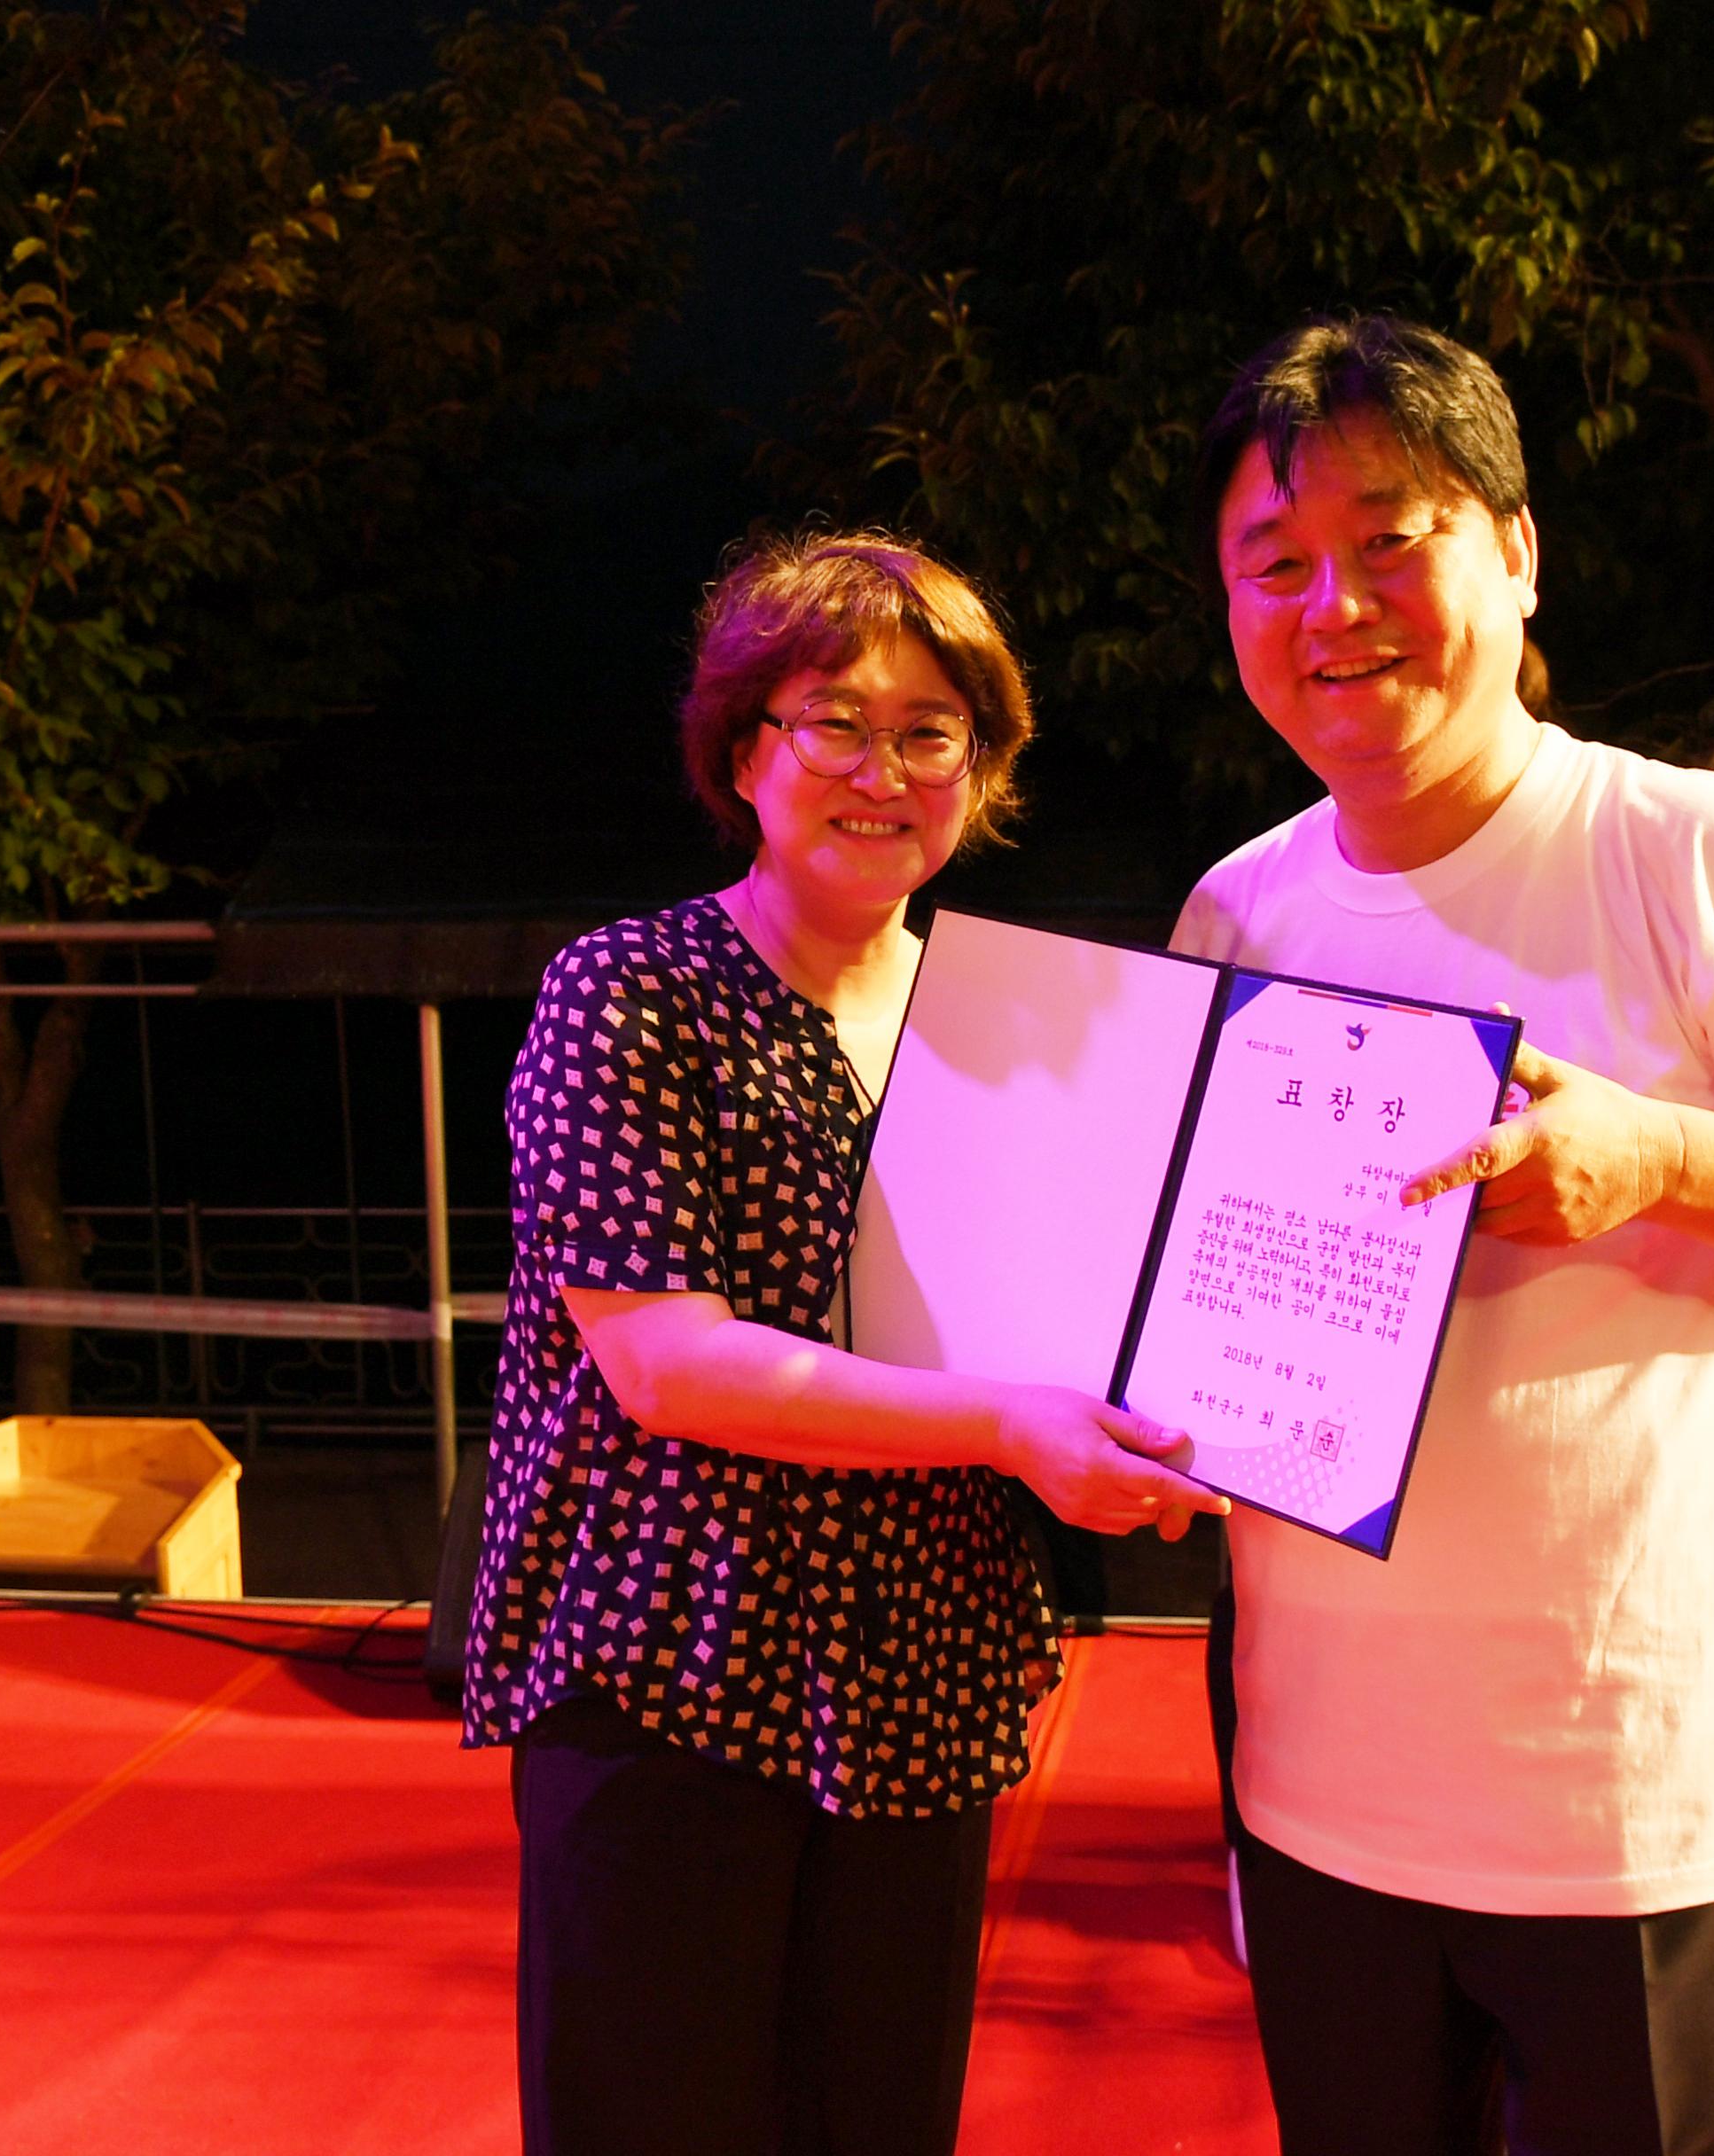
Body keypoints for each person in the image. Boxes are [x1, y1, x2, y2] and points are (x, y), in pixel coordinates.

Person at [1174, 315, 1714, 2156]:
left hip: (1635, 1799)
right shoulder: (1236, 910)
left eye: (1395, 539)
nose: (1337, 605)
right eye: (1277, 563)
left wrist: (1656, 1155)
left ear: (1518, 548)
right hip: (1319, 1790)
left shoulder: (1681, 847)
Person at [458, 531, 1230, 2156]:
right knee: (652, 2115)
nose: (886, 770)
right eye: (836, 721)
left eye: (933, 730)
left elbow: (1084, 1316)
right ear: (749, 752)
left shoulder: (1002, 1021)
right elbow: (667, 1363)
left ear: (982, 770)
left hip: (926, 1666)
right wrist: (1020, 1428)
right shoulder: (632, 994)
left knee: (879, 2112)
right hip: (676, 1663)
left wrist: (1182, 1426)